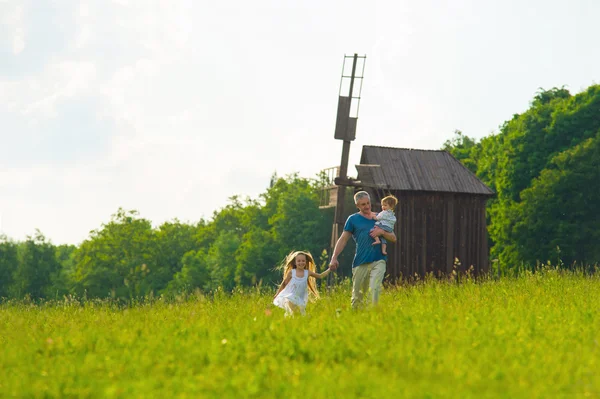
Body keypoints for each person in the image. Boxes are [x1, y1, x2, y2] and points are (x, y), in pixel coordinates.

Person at [329, 191, 397, 309]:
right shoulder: (353, 219)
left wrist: (382, 232)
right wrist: (334, 257)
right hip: (361, 261)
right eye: (363, 204)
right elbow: (343, 239)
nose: (367, 206)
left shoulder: (381, 216)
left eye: (368, 203)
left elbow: (393, 238)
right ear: (357, 206)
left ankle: (373, 318)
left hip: (378, 259)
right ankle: (357, 321)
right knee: (357, 298)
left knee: (374, 289)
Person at [273, 250, 332, 316]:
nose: (301, 263)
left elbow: (320, 276)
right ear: (295, 262)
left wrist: (330, 269)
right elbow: (284, 284)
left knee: (297, 315)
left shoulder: (307, 272)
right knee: (297, 313)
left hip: (300, 298)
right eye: (299, 261)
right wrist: (277, 294)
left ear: (306, 262)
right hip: (290, 296)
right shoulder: (292, 272)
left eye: (303, 261)